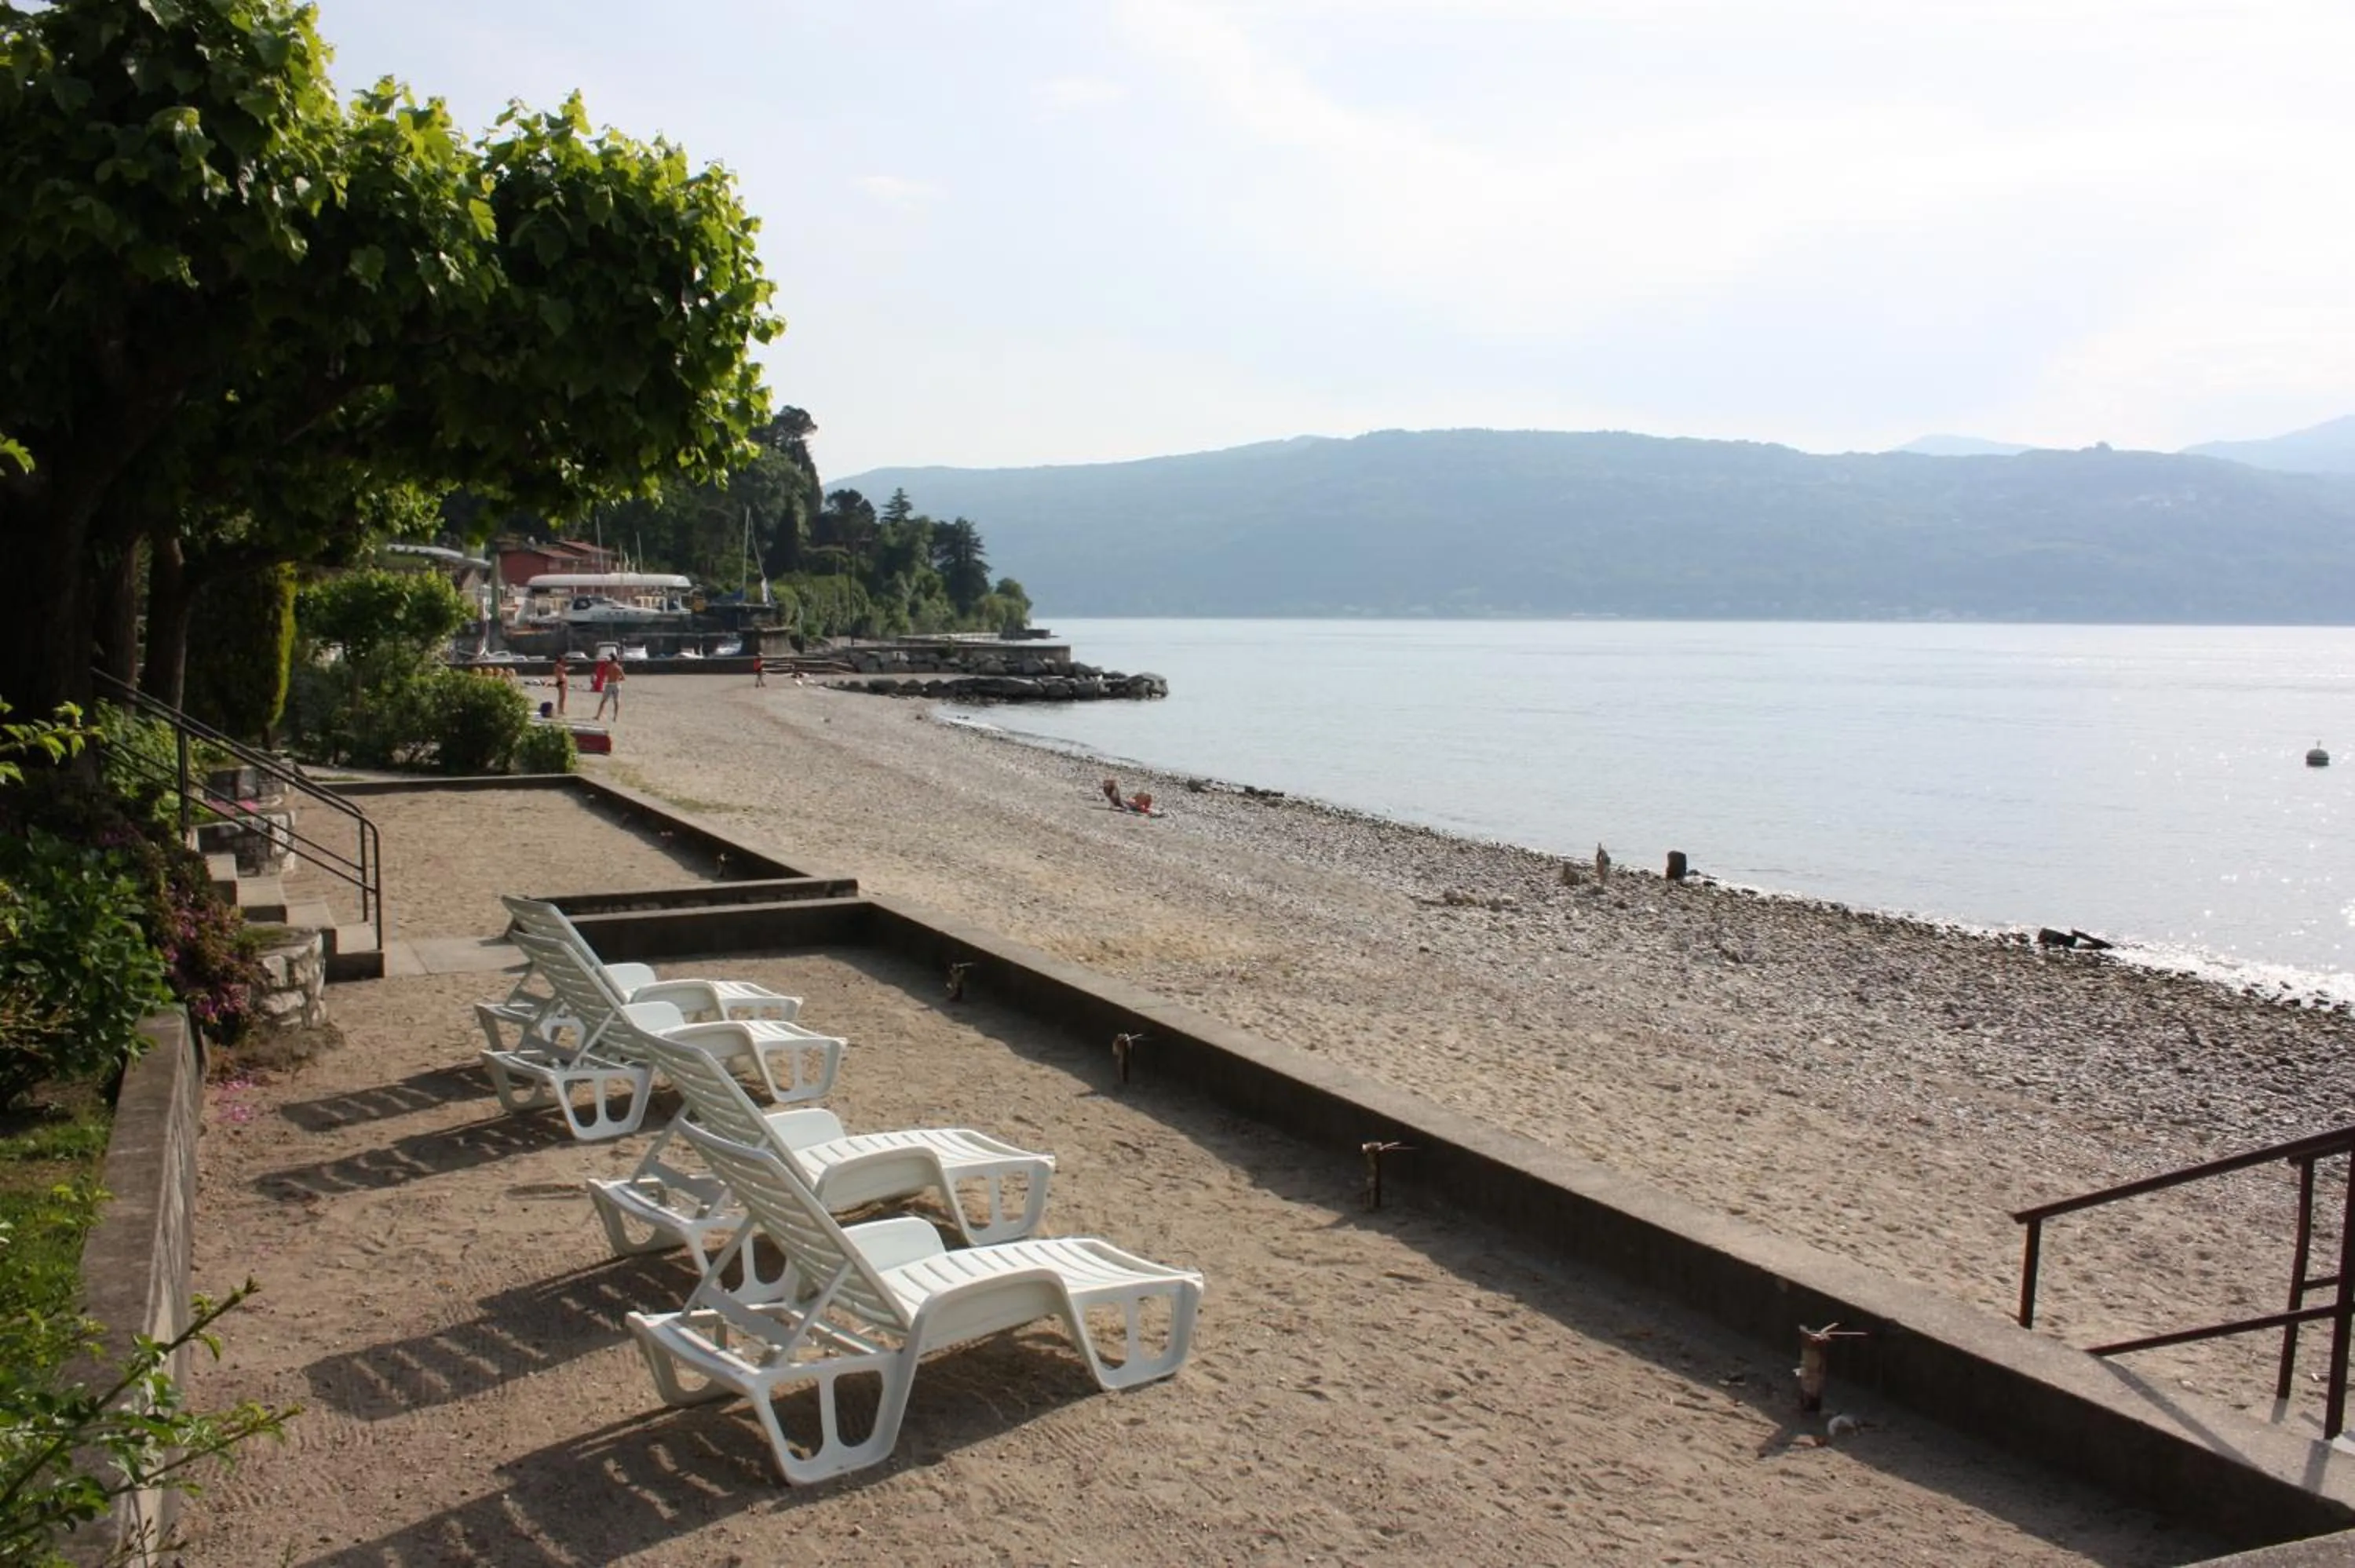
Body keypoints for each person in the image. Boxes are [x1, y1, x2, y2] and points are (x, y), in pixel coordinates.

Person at [593, 655, 624, 720]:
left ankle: (598, 716)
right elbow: (623, 678)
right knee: (616, 701)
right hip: (616, 684)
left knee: (603, 701)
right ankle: (615, 717)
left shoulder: (608, 667)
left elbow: (605, 675)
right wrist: (618, 678)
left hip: (609, 684)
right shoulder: (619, 668)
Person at [552, 653, 569, 717]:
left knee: (562, 697)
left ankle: (561, 710)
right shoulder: (558, 666)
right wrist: (571, 668)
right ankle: (560, 710)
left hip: (561, 682)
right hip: (561, 682)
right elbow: (565, 669)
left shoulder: (558, 666)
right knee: (562, 697)